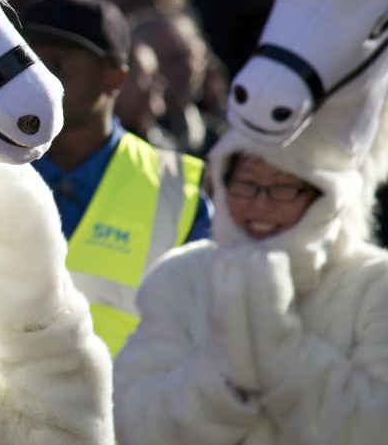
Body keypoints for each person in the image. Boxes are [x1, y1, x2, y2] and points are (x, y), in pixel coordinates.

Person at [113, 127, 388, 443]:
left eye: (283, 186)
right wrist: (225, 376)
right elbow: (131, 420)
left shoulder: (374, 283)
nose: (261, 203)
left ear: (323, 194)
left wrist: (283, 355)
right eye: (246, 184)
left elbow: (376, 426)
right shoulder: (180, 277)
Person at [21, 0, 212, 356]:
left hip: (120, 412)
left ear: (115, 79)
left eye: (58, 66)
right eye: (27, 63)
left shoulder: (176, 192)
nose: (37, 79)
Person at [132, 10, 226, 157]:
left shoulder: (217, 140)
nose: (189, 68)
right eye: (175, 58)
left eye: (191, 56)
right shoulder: (129, 141)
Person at [115, 39, 179, 150]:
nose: (160, 83)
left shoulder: (166, 149)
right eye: (149, 75)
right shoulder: (92, 147)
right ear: (118, 80)